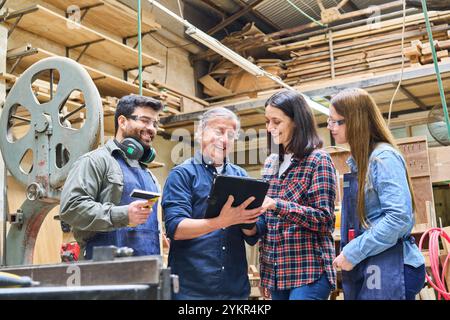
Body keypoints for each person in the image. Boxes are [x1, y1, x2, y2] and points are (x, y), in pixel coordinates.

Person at [328, 88, 425, 300]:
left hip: (393, 265)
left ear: (356, 121)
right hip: (375, 263)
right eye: (329, 120)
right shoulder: (360, 162)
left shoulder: (383, 159)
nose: (330, 127)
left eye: (336, 121)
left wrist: (354, 251)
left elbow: (398, 218)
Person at [161, 107, 265, 300]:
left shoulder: (241, 176)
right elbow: (176, 228)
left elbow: (253, 235)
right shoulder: (182, 175)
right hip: (191, 290)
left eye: (231, 135)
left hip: (234, 290)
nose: (224, 140)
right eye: (218, 131)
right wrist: (222, 221)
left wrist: (249, 220)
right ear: (200, 133)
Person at [249, 90, 337, 300]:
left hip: (309, 272)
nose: (270, 128)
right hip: (276, 274)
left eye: (276, 121)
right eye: (267, 121)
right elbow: (266, 222)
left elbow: (324, 220)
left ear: (296, 121)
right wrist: (247, 220)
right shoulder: (270, 163)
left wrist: (277, 205)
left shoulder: (318, 161)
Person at [60, 95, 164, 259]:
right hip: (104, 270)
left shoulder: (149, 176)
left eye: (155, 123)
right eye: (145, 120)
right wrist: (123, 214)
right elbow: (71, 208)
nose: (151, 128)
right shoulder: (96, 161)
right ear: (122, 122)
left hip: (147, 269)